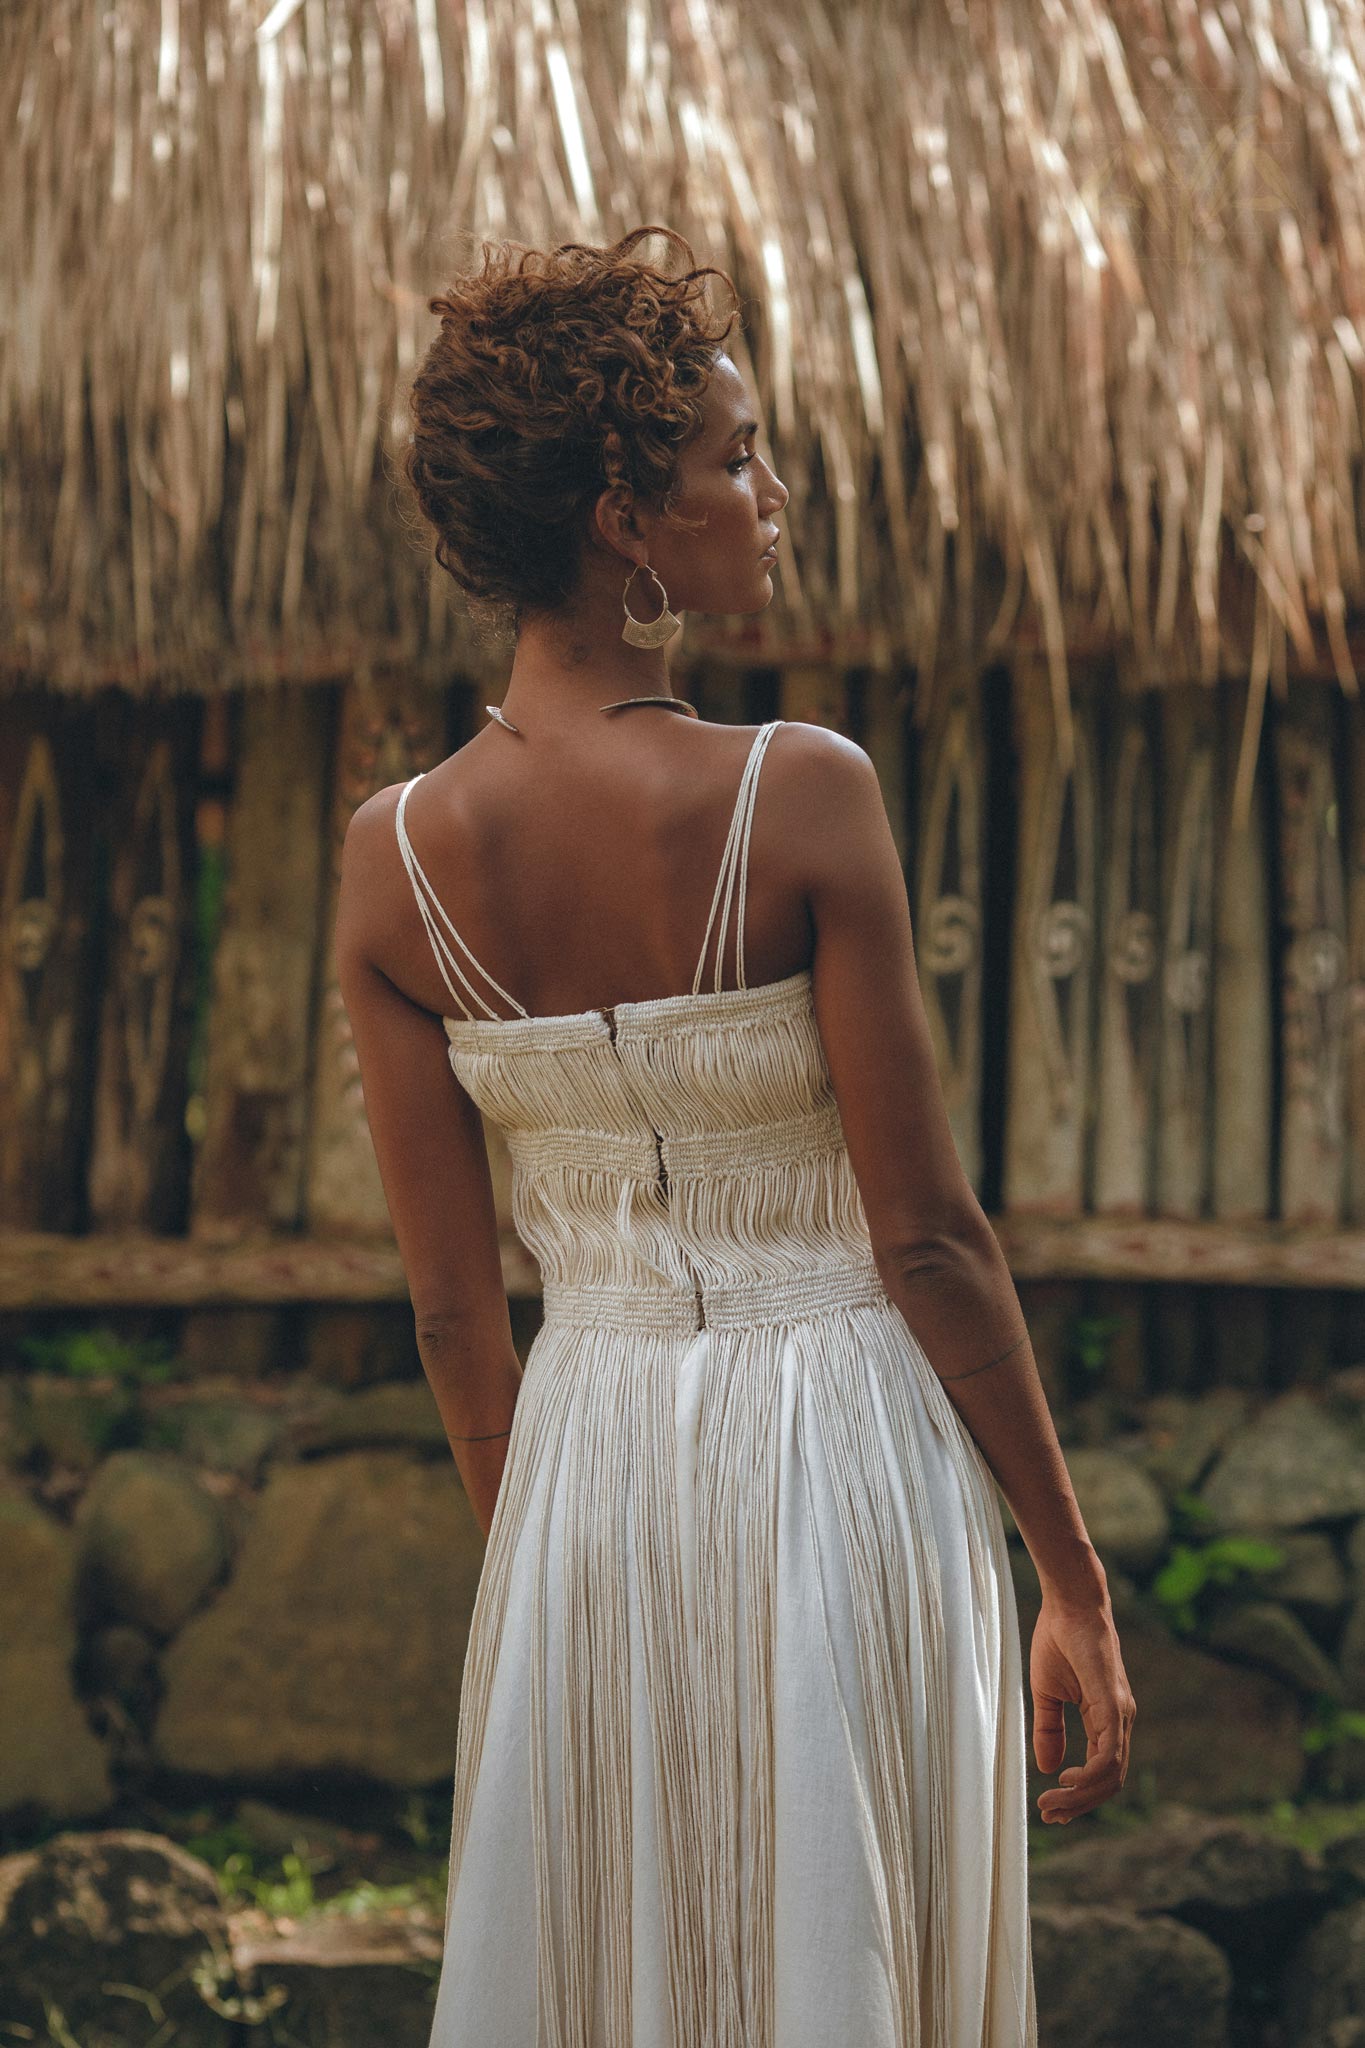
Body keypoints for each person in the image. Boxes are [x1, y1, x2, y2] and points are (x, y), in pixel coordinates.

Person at [335, 225, 1134, 2048]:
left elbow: (460, 1314)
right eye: (732, 457)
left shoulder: (389, 861)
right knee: (836, 1950)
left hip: (584, 1474)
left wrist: (546, 1555)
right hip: (838, 1443)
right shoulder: (799, 794)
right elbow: (926, 1238)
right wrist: (1068, 1579)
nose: (767, 491)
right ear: (626, 511)